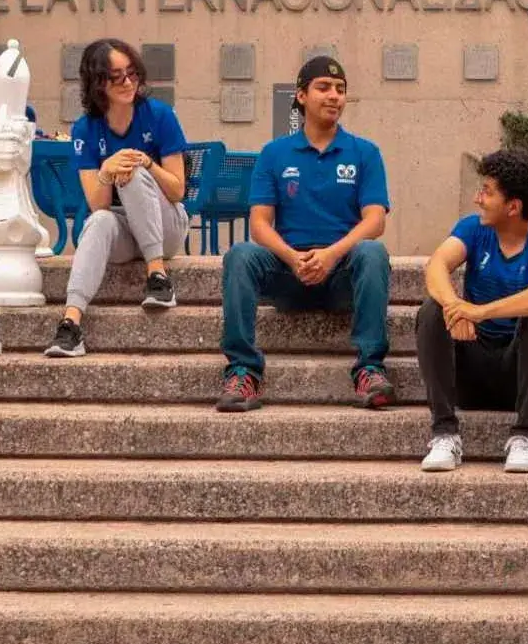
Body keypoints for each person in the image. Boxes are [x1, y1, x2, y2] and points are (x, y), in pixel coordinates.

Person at [217, 56, 393, 411]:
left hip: (341, 274)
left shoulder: (365, 153)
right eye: (324, 88)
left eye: (341, 90)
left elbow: (375, 220)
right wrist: (293, 258)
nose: (334, 96)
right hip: (288, 272)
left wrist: (330, 255)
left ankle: (370, 368)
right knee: (240, 255)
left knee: (373, 252)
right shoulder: (274, 153)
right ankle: (243, 371)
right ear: (301, 95)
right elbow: (260, 224)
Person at [418, 148, 528, 474]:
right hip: (470, 375)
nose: (478, 199)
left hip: (521, 377)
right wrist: (455, 309)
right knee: (432, 309)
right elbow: (437, 265)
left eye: (487, 192)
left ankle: (525, 436)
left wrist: (481, 312)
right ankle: (444, 433)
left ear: (513, 207)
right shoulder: (473, 229)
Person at [45, 38, 188, 358]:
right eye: (116, 76)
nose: (127, 83)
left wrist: (146, 164)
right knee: (98, 220)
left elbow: (178, 190)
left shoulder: (160, 115)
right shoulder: (85, 129)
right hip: (126, 231)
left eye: (132, 74)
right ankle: (71, 323)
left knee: (133, 171)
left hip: (168, 226)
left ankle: (158, 277)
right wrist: (106, 171)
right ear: (98, 83)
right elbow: (98, 204)